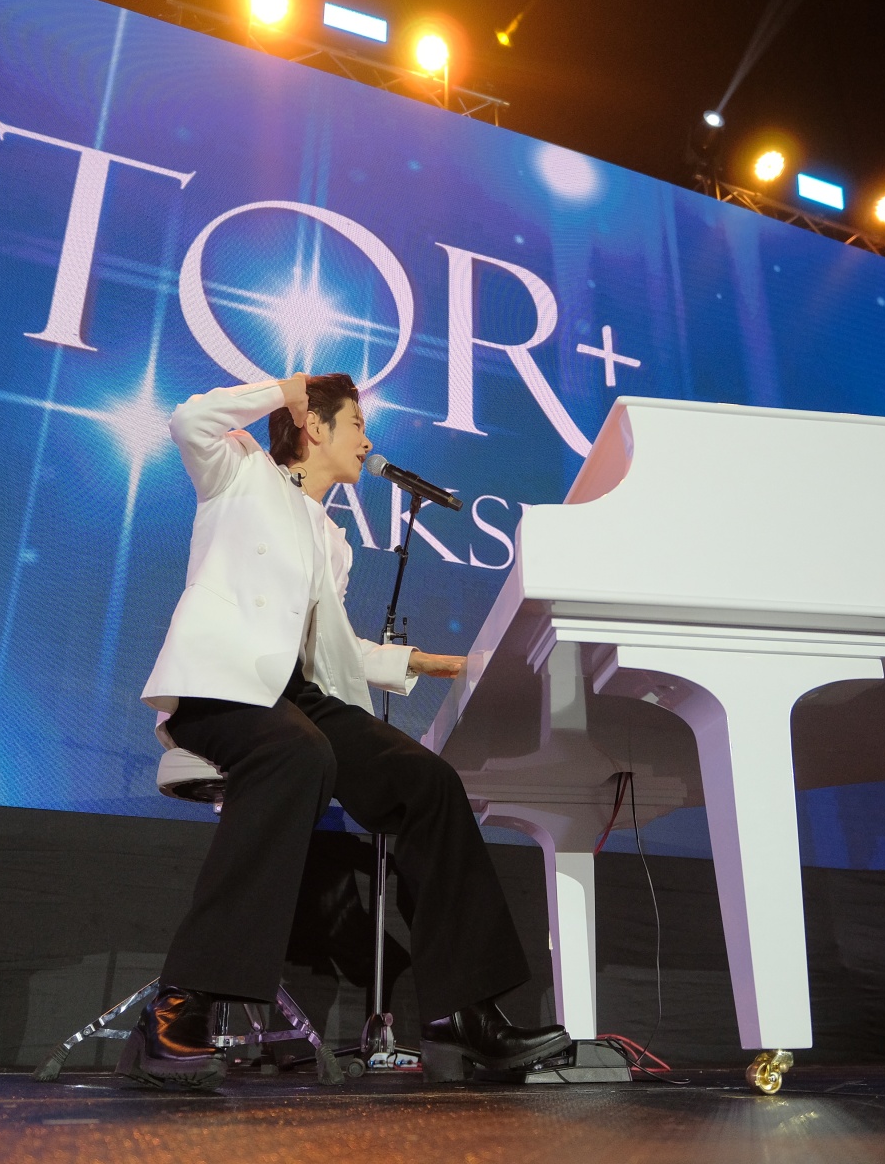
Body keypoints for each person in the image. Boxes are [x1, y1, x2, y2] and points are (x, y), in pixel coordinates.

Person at [122, 371, 569, 1090]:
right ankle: (183, 1002)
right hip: (223, 685)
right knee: (297, 755)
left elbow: (330, 649)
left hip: (300, 694)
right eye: (356, 423)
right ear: (313, 425)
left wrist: (422, 662)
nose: (366, 440)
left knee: (426, 780)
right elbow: (187, 418)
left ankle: (465, 1013)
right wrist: (288, 386)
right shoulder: (240, 472)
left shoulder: (334, 540)